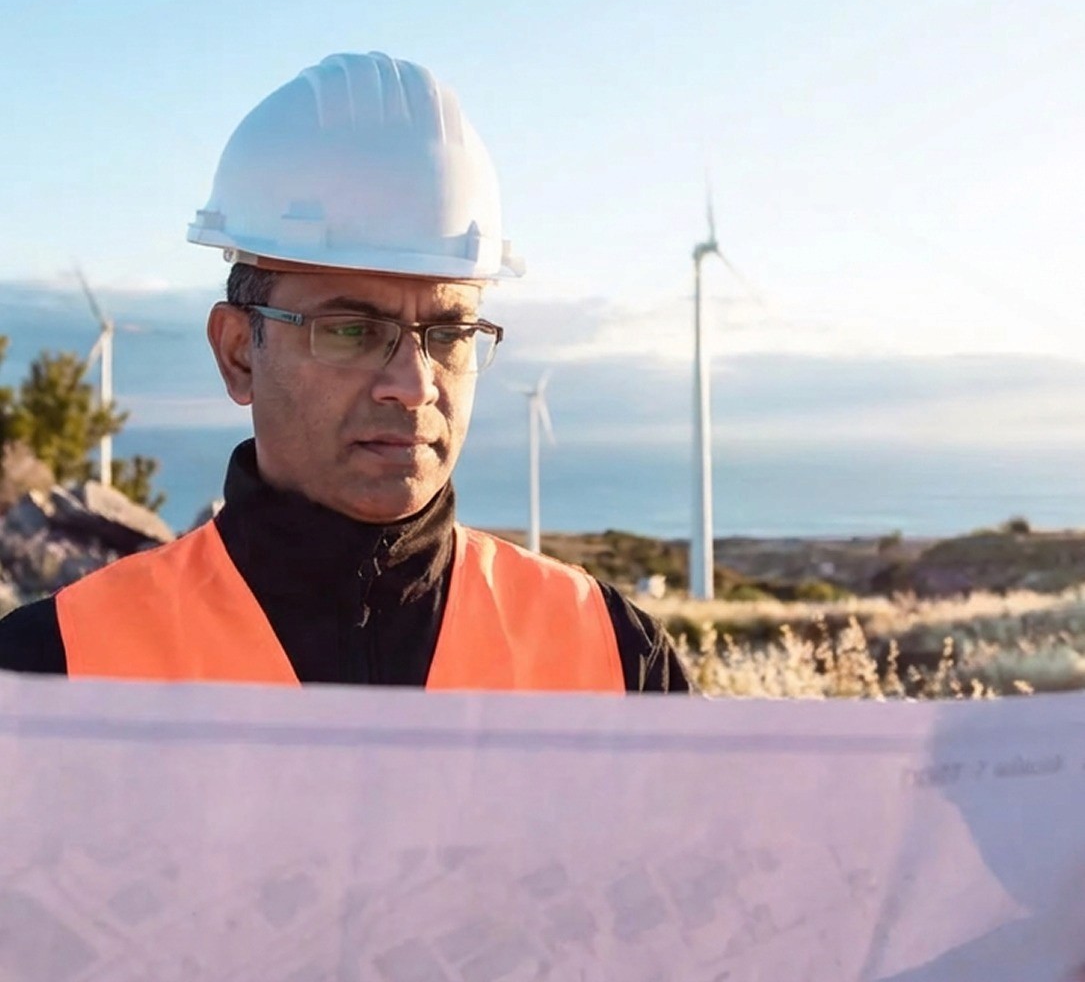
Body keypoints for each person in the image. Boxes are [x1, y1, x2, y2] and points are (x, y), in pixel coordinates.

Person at [0, 52, 690, 692]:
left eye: (448, 333)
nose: (414, 385)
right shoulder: (48, 669)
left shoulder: (614, 657)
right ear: (238, 351)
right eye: (353, 331)